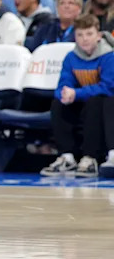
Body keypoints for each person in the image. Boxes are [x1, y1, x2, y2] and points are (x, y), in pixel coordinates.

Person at [40, 15, 114, 179]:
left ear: (99, 36)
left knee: (97, 101)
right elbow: (63, 84)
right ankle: (67, 156)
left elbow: (108, 88)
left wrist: (77, 93)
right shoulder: (71, 57)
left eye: (89, 34)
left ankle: (90, 158)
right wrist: (64, 94)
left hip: (103, 104)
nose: (84, 39)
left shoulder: (109, 56)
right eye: (80, 35)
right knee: (59, 103)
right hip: (81, 102)